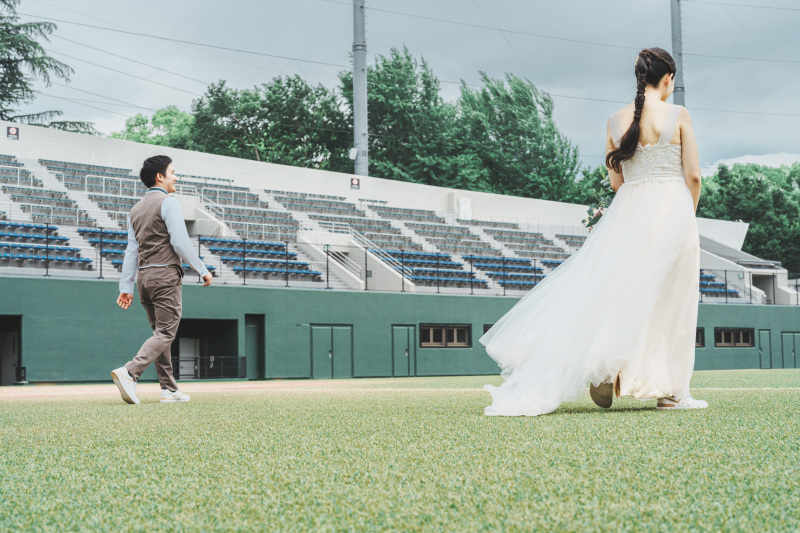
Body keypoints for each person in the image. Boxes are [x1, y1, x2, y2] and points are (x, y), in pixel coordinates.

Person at [480, 47, 708, 416]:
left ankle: (606, 363)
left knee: (618, 294)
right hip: (672, 210)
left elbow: (618, 182)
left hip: (629, 214)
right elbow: (693, 176)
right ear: (667, 79)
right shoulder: (678, 114)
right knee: (672, 305)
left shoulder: (614, 121)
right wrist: (686, 214)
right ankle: (671, 393)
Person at [111, 155, 212, 405]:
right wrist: (202, 269)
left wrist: (126, 287)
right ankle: (130, 372)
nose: (176, 177)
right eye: (173, 172)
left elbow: (131, 251)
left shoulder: (134, 210)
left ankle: (168, 389)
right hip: (165, 275)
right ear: (160, 176)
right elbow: (179, 242)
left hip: (144, 279)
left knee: (160, 334)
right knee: (166, 332)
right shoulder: (169, 202)